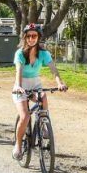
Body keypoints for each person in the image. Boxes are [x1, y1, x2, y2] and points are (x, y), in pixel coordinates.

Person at [12, 23, 67, 160]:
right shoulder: (20, 54)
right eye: (29, 36)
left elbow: (53, 70)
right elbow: (18, 70)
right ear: (25, 38)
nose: (31, 38)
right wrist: (18, 86)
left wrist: (60, 83)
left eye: (34, 36)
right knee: (25, 116)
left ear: (38, 37)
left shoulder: (44, 54)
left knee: (43, 97)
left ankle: (43, 125)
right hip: (21, 85)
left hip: (35, 83)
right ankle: (18, 145)